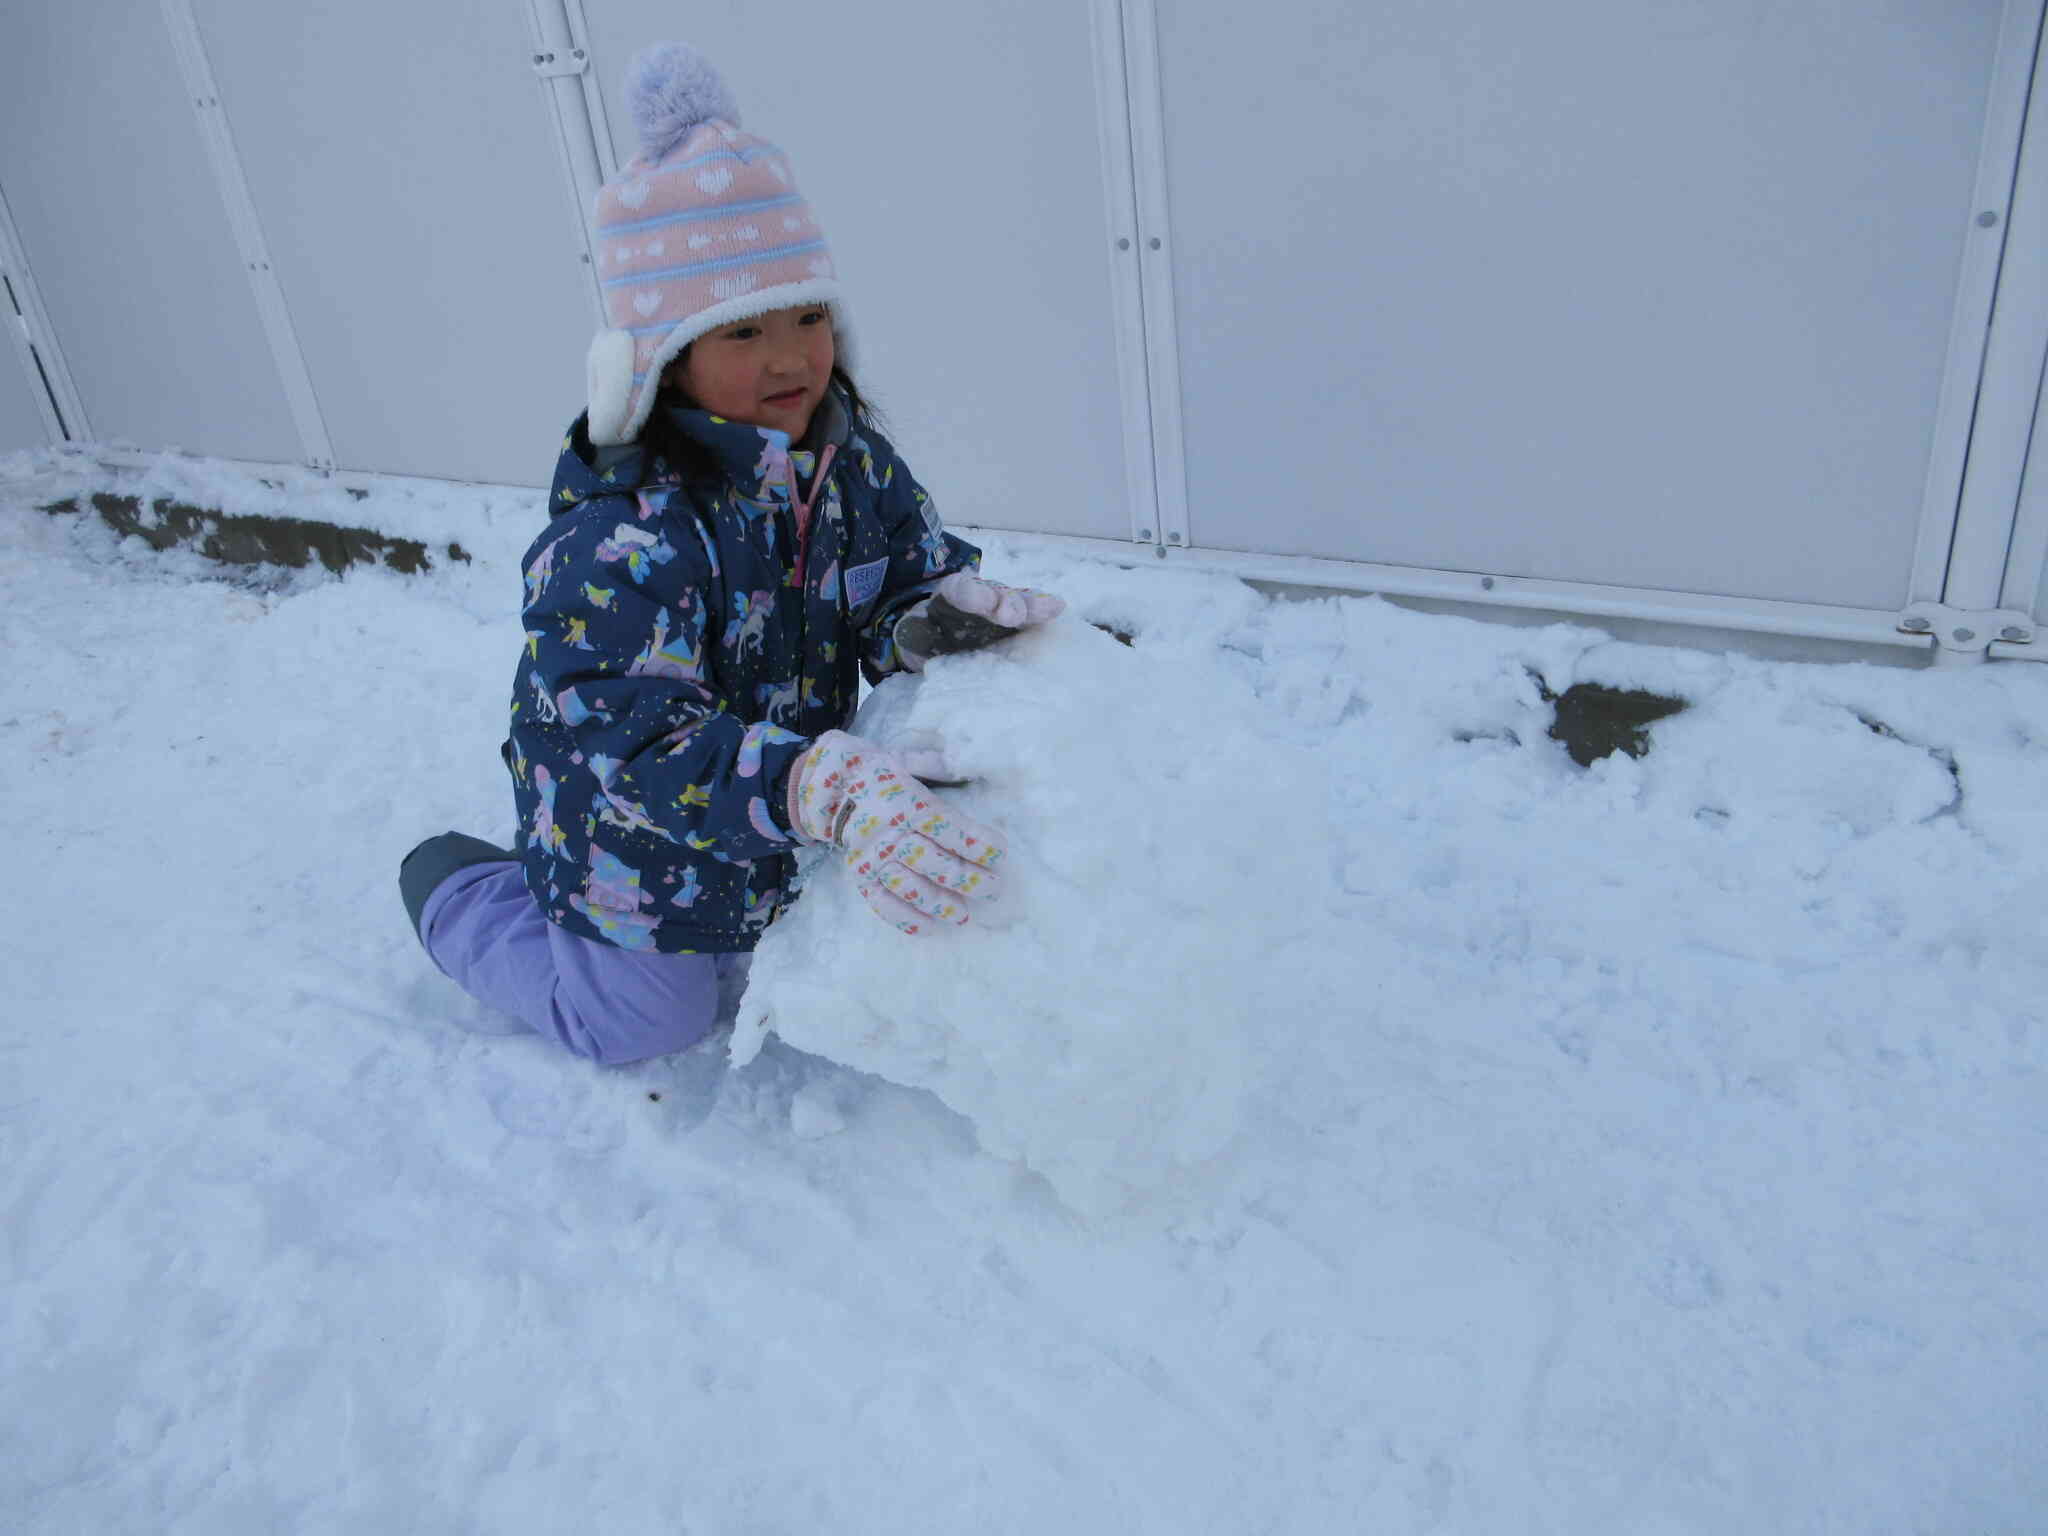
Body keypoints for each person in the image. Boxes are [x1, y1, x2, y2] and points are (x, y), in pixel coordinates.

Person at [399, 42, 1062, 1065]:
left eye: (809, 316)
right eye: (742, 331)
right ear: (665, 359)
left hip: (777, 797)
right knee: (647, 1025)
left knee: (774, 953)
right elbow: (641, 748)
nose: (792, 356)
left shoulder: (850, 463)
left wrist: (932, 623)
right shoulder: (616, 540)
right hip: (629, 828)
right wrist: (820, 786)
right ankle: (462, 892)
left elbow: (897, 581)